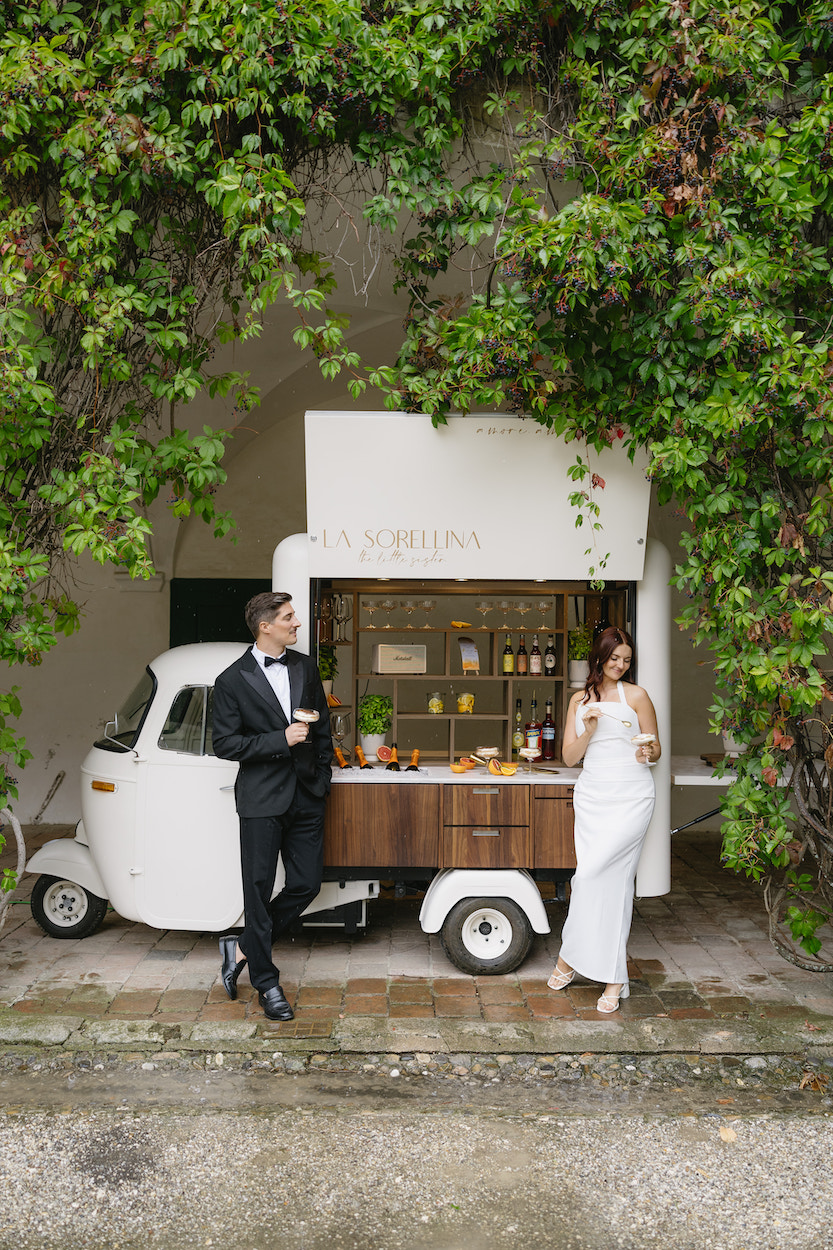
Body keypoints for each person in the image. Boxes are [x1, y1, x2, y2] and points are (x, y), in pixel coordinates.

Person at [212, 591, 332, 1021]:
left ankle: (242, 945)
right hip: (261, 800)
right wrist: (278, 740)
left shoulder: (303, 667)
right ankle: (266, 983)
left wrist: (321, 777)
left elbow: (323, 730)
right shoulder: (231, 680)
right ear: (266, 626)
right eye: (288, 617)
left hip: (306, 795)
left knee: (306, 883)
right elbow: (224, 744)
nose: (296, 623)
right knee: (258, 893)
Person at [548, 626, 660, 1013]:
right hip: (593, 797)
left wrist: (648, 753)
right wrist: (590, 728)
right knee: (601, 884)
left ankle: (576, 962)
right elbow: (568, 758)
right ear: (600, 658)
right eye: (614, 659)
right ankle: (609, 977)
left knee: (593, 877)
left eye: (627, 660)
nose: (620, 665)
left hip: (632, 796)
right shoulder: (579, 700)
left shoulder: (638, 696)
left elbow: (655, 746)